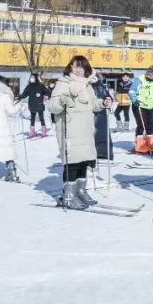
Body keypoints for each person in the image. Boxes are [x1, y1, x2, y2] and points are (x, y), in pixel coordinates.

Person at [48, 56, 112, 210]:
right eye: (75, 66)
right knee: (72, 163)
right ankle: (69, 195)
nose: (78, 69)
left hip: (85, 129)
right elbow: (52, 107)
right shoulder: (63, 84)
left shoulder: (87, 86)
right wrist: (62, 101)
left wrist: (102, 103)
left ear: (86, 69)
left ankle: (80, 190)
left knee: (84, 161)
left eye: (81, 67)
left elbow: (92, 105)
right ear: (70, 67)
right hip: (70, 130)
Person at [131, 66, 153, 154]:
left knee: (150, 124)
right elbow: (132, 90)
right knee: (141, 124)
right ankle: (139, 145)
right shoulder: (140, 79)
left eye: (152, 73)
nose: (149, 75)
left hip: (151, 105)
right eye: (148, 73)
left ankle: (150, 143)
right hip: (139, 105)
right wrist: (134, 100)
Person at [90, 73, 114, 163]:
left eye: (95, 77)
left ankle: (104, 152)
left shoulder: (101, 87)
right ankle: (91, 152)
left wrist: (109, 102)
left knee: (102, 131)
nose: (93, 79)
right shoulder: (86, 86)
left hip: (101, 111)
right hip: (90, 112)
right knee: (91, 132)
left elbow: (108, 97)